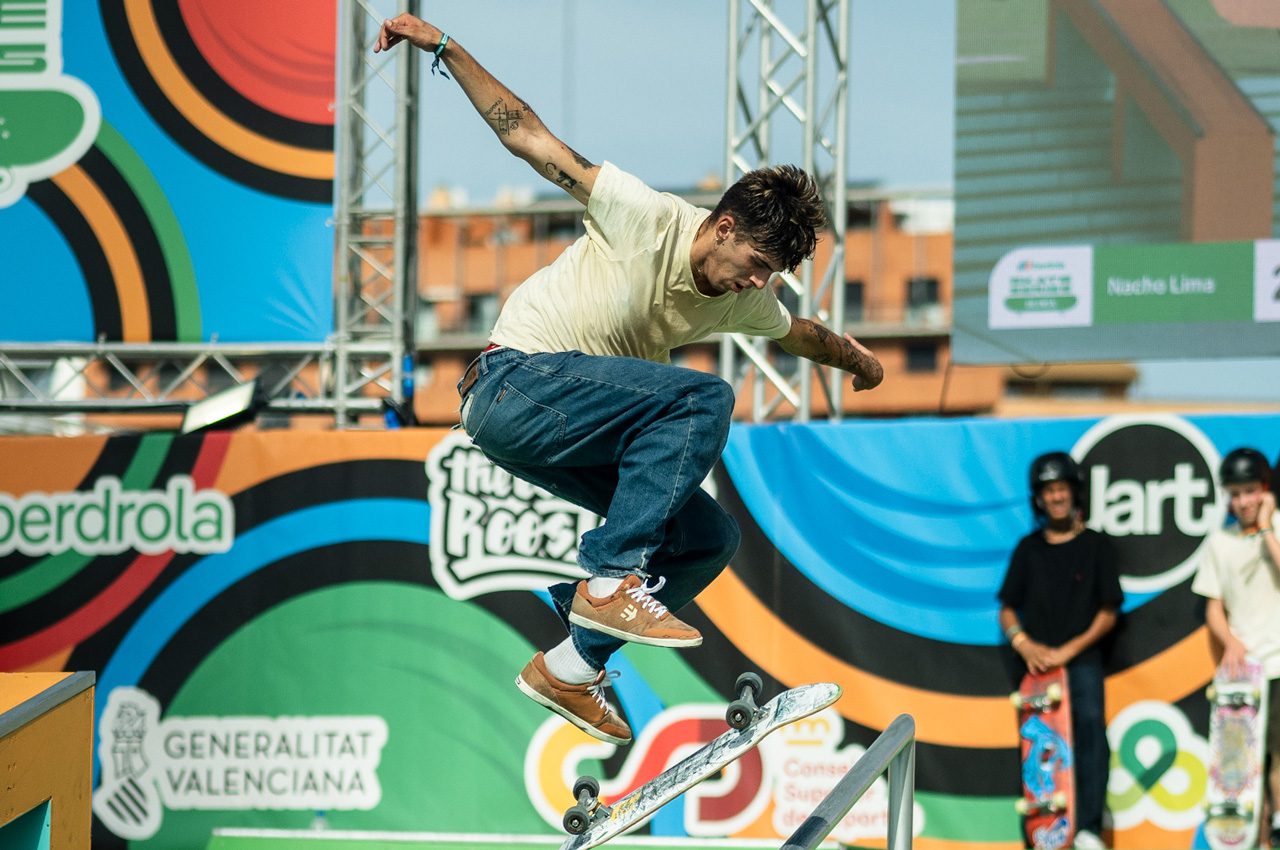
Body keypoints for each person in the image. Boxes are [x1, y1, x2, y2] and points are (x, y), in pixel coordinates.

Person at [374, 14, 883, 746]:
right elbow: (530, 138)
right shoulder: (643, 215)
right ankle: (610, 579)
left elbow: (802, 333)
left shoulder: (745, 297)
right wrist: (447, 50)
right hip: (512, 382)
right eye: (758, 262)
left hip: (559, 432)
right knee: (703, 397)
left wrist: (860, 362)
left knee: (708, 537)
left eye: (773, 274)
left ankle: (573, 666)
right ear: (725, 225)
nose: (760, 281)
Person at [998, 452, 1123, 850]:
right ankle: (1043, 832)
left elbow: (1108, 613)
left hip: (1081, 662)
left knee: (1089, 733)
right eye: (1049, 491)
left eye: (1062, 490)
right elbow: (1006, 609)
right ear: (1039, 498)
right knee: (1036, 744)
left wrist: (1069, 650)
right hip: (1036, 669)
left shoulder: (1097, 545)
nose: (1056, 498)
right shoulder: (1027, 549)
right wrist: (1024, 643)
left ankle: (1087, 828)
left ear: (1075, 493)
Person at [1192, 447, 1280, 847]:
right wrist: (1230, 641)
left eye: (1250, 491)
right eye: (1235, 493)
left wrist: (1265, 529)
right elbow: (1213, 605)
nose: (1243, 501)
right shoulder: (1219, 542)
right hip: (1243, 676)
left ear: (1264, 489)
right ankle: (1259, 842)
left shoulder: (1276, 526)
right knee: (1246, 770)